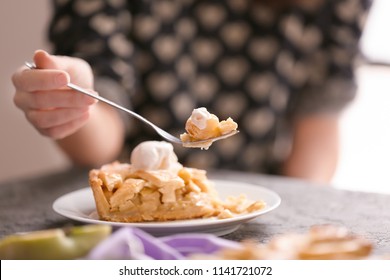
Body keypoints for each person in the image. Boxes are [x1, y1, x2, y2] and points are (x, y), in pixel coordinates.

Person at [12, 0, 372, 183]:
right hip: (126, 209)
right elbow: (100, 137)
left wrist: (294, 226)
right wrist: (75, 98)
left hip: (259, 207)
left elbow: (318, 123)